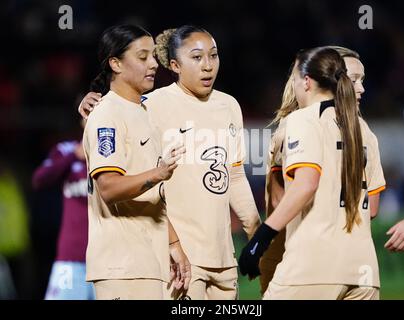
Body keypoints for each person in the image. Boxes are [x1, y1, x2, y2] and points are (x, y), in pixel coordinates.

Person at [79, 25, 261, 300]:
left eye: (214, 55)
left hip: (223, 255)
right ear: (174, 65)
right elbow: (112, 119)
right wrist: (89, 103)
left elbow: (234, 176)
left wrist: (255, 231)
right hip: (178, 258)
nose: (208, 66)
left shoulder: (229, 107)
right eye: (197, 57)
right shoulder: (150, 105)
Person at [239, 46, 386, 300]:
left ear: (306, 81)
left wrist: (259, 241)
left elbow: (294, 191)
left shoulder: (301, 120)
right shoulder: (364, 129)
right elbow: (371, 209)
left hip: (312, 267)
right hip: (365, 272)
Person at [83, 24, 190, 300]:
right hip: (122, 266)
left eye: (154, 55)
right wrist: (158, 173)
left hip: (147, 262)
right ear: (115, 63)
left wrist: (173, 243)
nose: (153, 64)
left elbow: (149, 197)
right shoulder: (108, 115)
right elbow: (109, 188)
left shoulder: (142, 112)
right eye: (143, 57)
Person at [32, 120, 96, 300]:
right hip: (71, 258)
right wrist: (74, 156)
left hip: (106, 259)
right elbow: (39, 179)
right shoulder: (66, 150)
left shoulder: (115, 151)